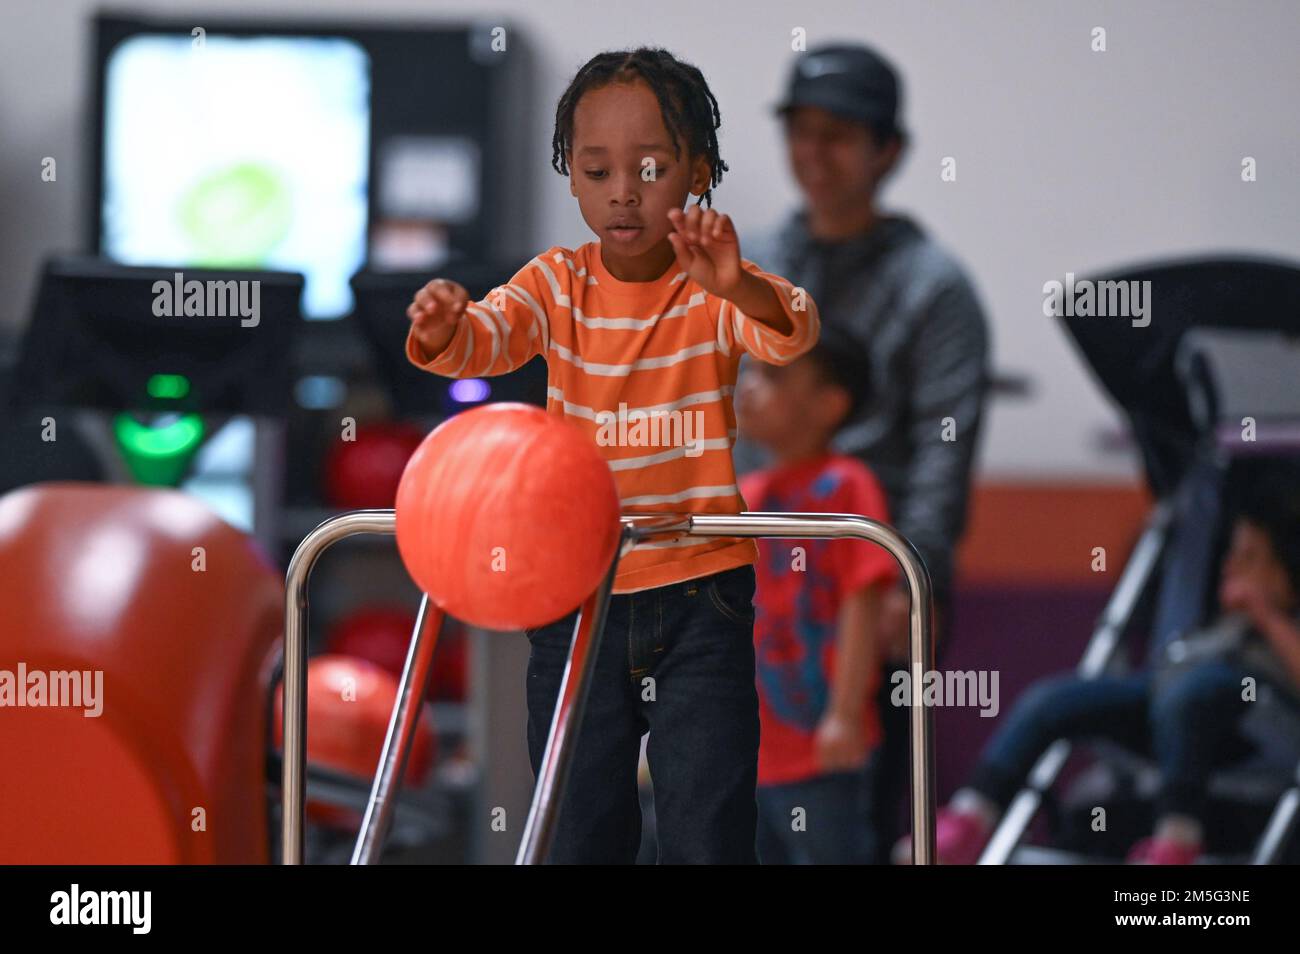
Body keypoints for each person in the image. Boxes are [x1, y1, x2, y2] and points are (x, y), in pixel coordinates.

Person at [404, 47, 821, 863]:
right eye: (596, 171)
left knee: (709, 827)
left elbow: (792, 329)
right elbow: (487, 340)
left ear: (699, 170)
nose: (622, 191)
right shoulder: (557, 283)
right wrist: (443, 328)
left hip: (703, 593)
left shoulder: (712, 283)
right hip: (577, 591)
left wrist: (738, 285)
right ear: (570, 176)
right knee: (578, 826)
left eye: (651, 167)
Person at [734, 42, 991, 861]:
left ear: (889, 151)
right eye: (800, 132)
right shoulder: (761, 266)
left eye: (838, 135)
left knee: (860, 803)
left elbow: (942, 448)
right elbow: (719, 412)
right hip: (761, 563)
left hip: (868, 565)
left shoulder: (934, 286)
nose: (813, 154)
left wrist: (910, 580)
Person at [893, 474, 1300, 864]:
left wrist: (1265, 612)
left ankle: (1177, 841)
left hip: (1252, 724)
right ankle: (971, 819)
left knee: (1191, 692)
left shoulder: (1278, 627)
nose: (1232, 567)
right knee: (1051, 699)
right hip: (1169, 712)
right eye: (1232, 554)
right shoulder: (1218, 627)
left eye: (1251, 559)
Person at [736, 327, 897, 864]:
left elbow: (862, 601)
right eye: (751, 372)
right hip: (748, 749)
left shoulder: (847, 485)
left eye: (773, 376)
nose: (749, 388)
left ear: (829, 404)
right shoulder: (746, 497)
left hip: (821, 747)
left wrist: (846, 713)